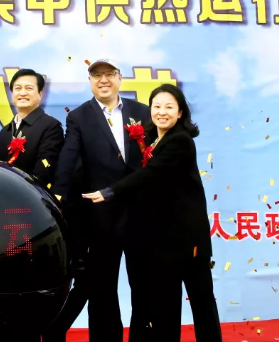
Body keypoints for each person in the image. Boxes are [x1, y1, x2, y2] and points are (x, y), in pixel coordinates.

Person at [83, 84, 222, 342]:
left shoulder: (180, 140)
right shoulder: (153, 141)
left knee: (201, 302)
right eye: (157, 106)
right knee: (166, 307)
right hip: (165, 241)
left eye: (169, 107)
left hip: (189, 240)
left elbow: (150, 174)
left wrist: (111, 192)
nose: (162, 112)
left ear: (180, 112)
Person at [45, 58, 151, 342]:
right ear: (90, 81)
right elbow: (68, 158)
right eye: (96, 75)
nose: (103, 80)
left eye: (109, 74)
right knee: (103, 288)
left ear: (120, 78)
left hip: (141, 213)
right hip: (102, 214)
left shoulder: (142, 112)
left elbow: (154, 158)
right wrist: (58, 194)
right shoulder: (79, 117)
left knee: (144, 284)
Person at [0, 69, 64, 186]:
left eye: (29, 88)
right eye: (18, 88)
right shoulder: (5, 131)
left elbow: (44, 171)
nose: (22, 93)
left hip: (33, 193)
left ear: (40, 94)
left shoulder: (51, 126)